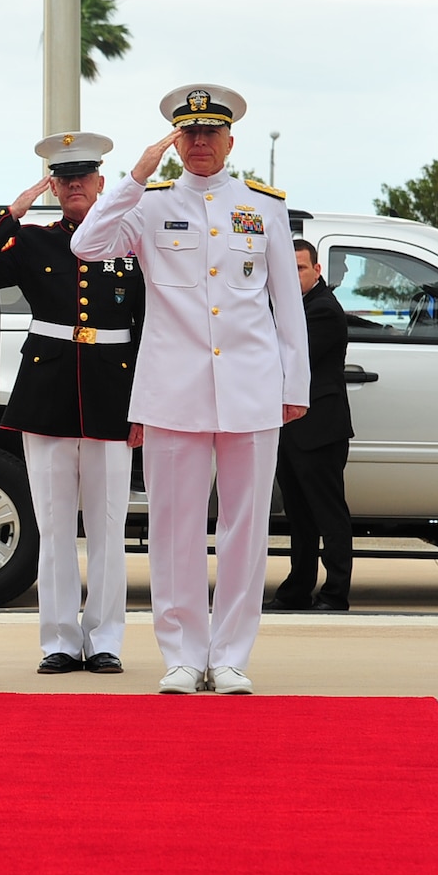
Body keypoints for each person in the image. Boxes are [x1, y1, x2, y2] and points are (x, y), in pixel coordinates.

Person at [72, 83, 309, 695]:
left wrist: (295, 381)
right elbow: (86, 244)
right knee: (173, 528)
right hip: (173, 390)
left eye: (211, 132)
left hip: (251, 388)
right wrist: (134, 175)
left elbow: (287, 301)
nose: (200, 142)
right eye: (189, 133)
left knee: (245, 528)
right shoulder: (147, 205)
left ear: (231, 140)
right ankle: (181, 654)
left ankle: (229, 655)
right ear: (175, 141)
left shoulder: (265, 207)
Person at [0, 131, 143, 675]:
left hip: (113, 395)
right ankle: (57, 639)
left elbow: (147, 324)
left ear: (102, 183)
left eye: (84, 177)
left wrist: (143, 403)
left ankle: (104, 640)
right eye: (64, 178)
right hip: (48, 393)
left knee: (107, 527)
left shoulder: (129, 241)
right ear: (54, 185)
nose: (75, 185)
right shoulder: (31, 241)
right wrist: (13, 211)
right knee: (53, 527)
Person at [266, 239, 355, 611]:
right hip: (290, 430)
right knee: (300, 516)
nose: (293, 275)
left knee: (327, 513)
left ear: (317, 271)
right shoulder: (291, 307)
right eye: (288, 268)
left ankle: (336, 592)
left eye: (301, 268)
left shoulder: (323, 310)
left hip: (319, 430)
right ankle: (297, 588)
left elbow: (286, 361)